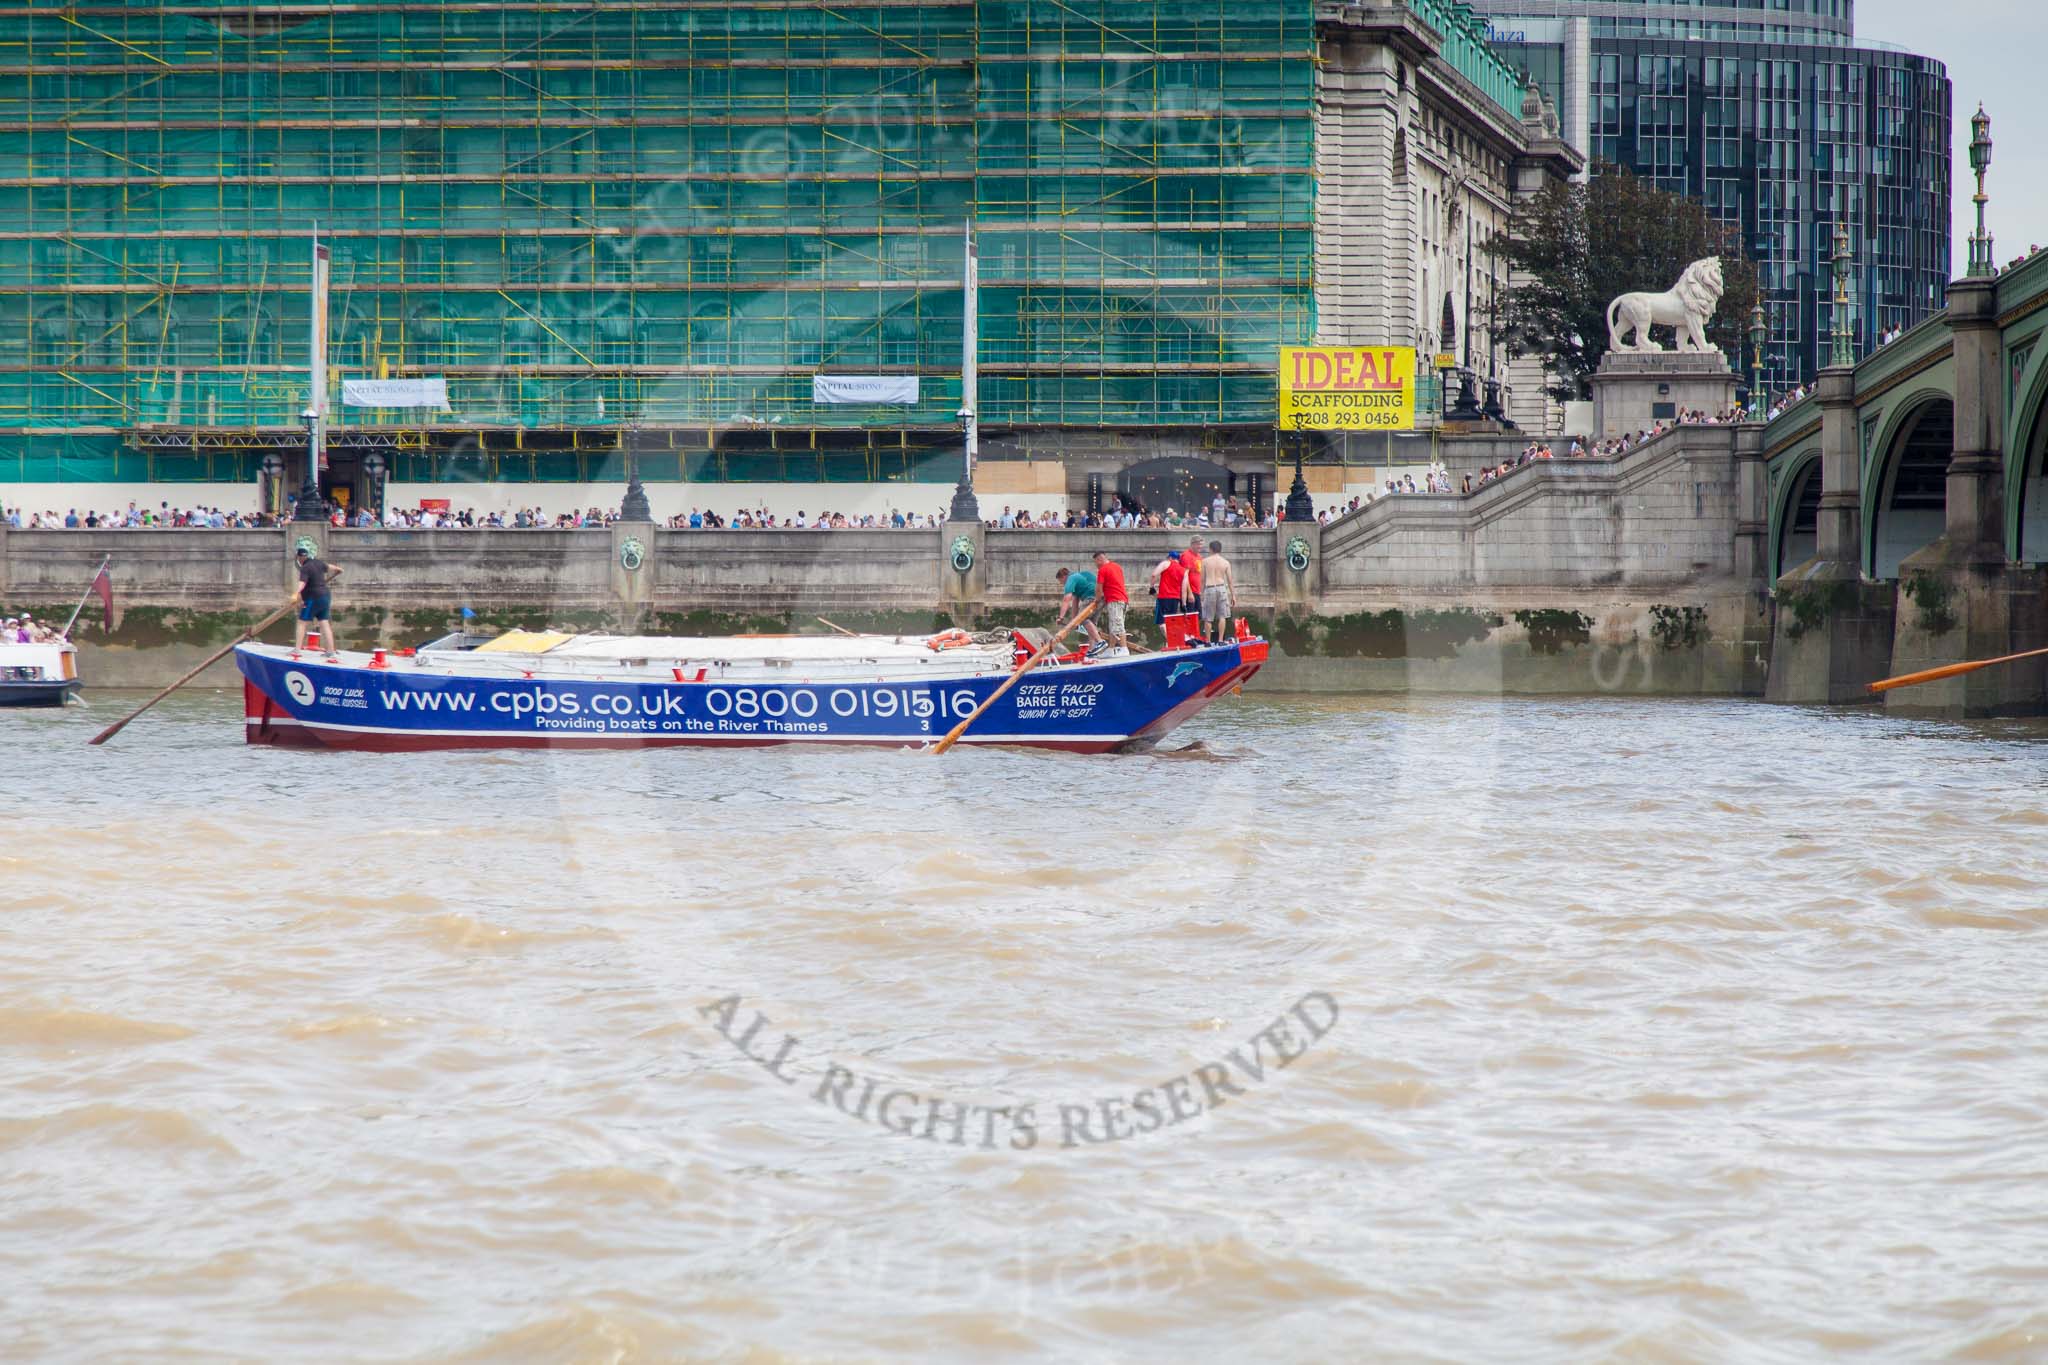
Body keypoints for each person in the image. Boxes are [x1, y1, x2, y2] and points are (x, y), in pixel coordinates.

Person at [293, 546, 343, 660]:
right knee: (324, 622)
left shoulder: (305, 568)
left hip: (313, 597)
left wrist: (296, 593)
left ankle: (297, 650)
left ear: (299, 557)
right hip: (325, 596)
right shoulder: (318, 562)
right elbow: (331, 567)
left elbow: (302, 583)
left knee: (302, 622)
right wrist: (339, 569)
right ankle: (330, 651)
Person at [1055, 565, 1106, 654]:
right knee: (1091, 625)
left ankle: (1100, 642)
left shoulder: (1071, 579)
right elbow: (1075, 601)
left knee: (1084, 619)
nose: (1061, 584)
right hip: (1101, 598)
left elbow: (1067, 599)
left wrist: (1061, 617)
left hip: (1090, 598)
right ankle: (1092, 650)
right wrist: (1074, 621)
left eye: (1061, 581)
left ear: (1063, 577)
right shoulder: (1080, 576)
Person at [1091, 549, 1129, 655]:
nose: (1096, 566)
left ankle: (1124, 648)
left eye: (1096, 563)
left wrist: (1097, 600)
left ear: (1099, 560)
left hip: (1114, 599)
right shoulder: (1117, 566)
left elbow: (1099, 589)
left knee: (1117, 625)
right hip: (1123, 599)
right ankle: (1111, 649)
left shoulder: (1103, 570)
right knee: (1113, 625)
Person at [1198, 539, 1236, 644]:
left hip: (1209, 588)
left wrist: (1201, 593)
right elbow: (1230, 581)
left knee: (1208, 617)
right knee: (1222, 616)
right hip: (1221, 588)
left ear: (1210, 549)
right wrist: (1233, 596)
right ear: (1220, 549)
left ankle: (1208, 641)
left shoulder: (1205, 561)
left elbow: (1202, 580)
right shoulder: (1225, 562)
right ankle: (1220, 640)